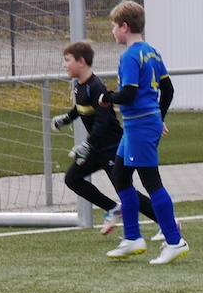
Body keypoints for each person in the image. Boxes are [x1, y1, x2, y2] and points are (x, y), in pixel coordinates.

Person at [99, 0, 189, 265]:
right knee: (120, 176)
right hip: (138, 125)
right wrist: (159, 118)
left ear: (124, 27)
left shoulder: (130, 56)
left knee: (151, 182)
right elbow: (168, 89)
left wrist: (107, 97)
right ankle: (132, 238)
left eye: (114, 26)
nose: (113, 31)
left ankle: (174, 241)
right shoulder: (152, 52)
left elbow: (128, 93)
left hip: (139, 124)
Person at [52, 40, 165, 238]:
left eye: (68, 60)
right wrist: (66, 119)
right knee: (72, 179)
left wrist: (87, 144)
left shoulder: (96, 86)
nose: (64, 65)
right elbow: (80, 108)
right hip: (97, 147)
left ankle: (167, 223)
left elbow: (103, 120)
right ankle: (112, 208)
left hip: (112, 147)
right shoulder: (78, 86)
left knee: (126, 190)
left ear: (81, 62)